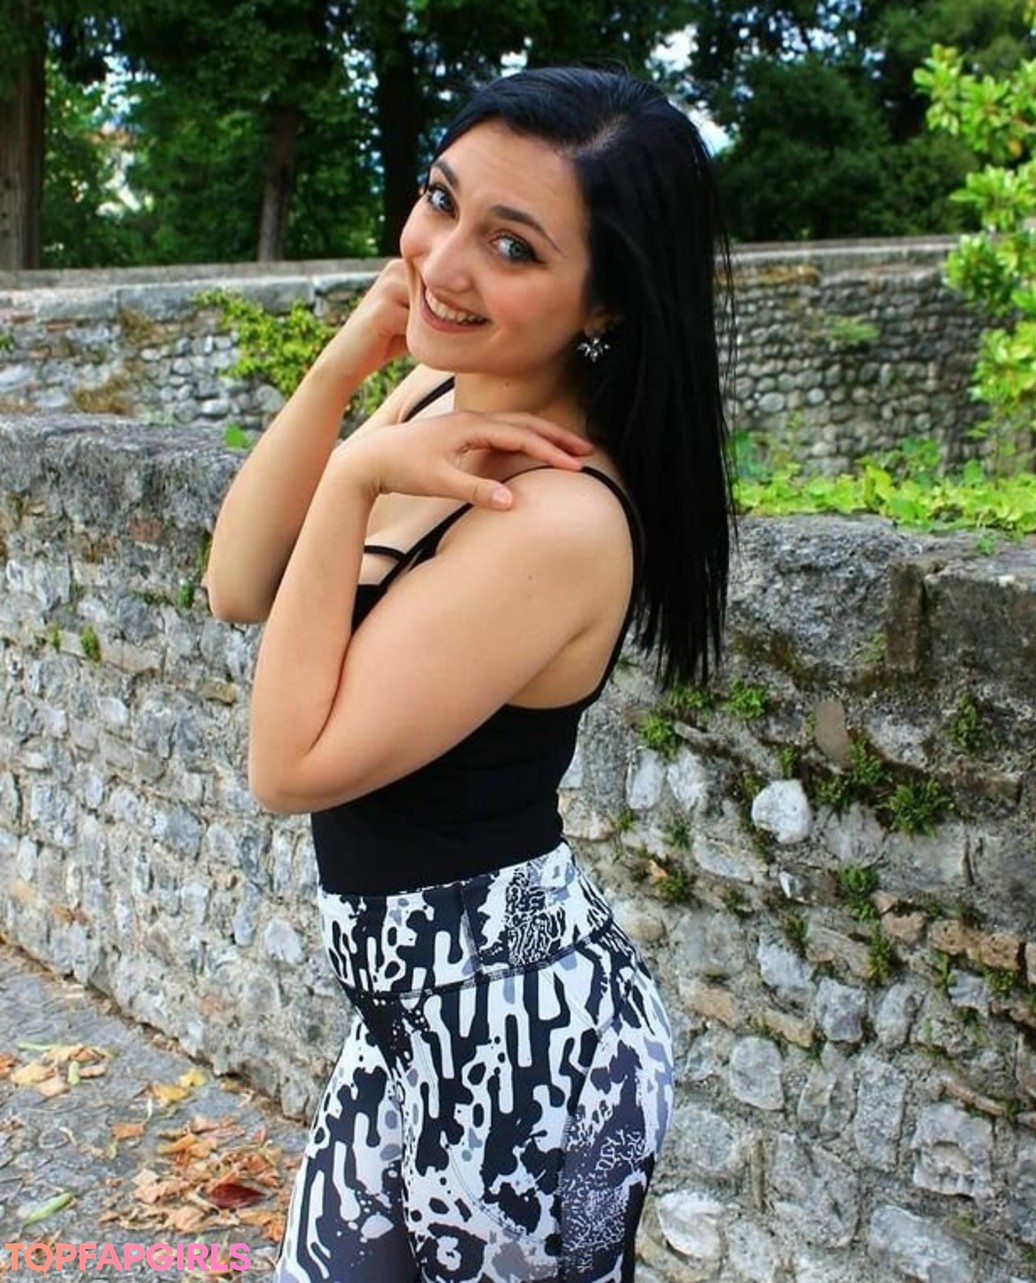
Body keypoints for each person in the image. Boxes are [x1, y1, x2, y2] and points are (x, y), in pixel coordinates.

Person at [206, 65, 734, 1283]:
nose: (441, 261)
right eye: (441, 200)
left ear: (604, 301)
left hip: (530, 1046)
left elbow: (289, 763)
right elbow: (238, 581)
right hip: (407, 1026)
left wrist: (358, 475)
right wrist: (349, 369)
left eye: (511, 245)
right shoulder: (445, 390)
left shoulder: (556, 517)